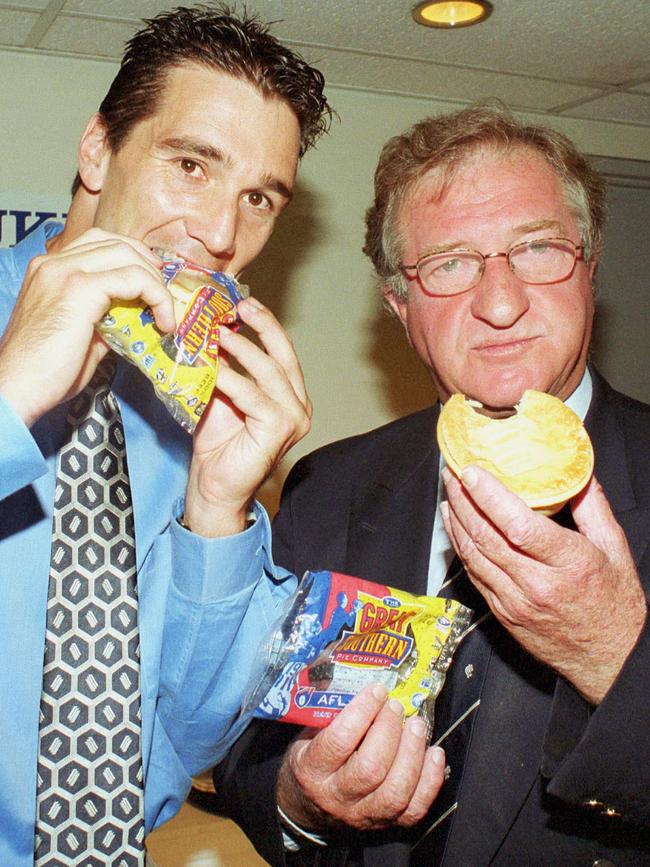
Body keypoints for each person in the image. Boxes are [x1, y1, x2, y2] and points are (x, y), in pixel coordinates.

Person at [210, 104, 650, 865]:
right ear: (400, 307)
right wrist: (301, 796)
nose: (501, 302)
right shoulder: (327, 485)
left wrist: (618, 654)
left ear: (590, 265)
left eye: (538, 249)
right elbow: (245, 747)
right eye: (449, 264)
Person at [0, 5, 331, 864]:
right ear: (97, 150)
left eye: (258, 198)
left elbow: (193, 739)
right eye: (191, 165)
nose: (223, 236)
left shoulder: (202, 399)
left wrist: (219, 509)